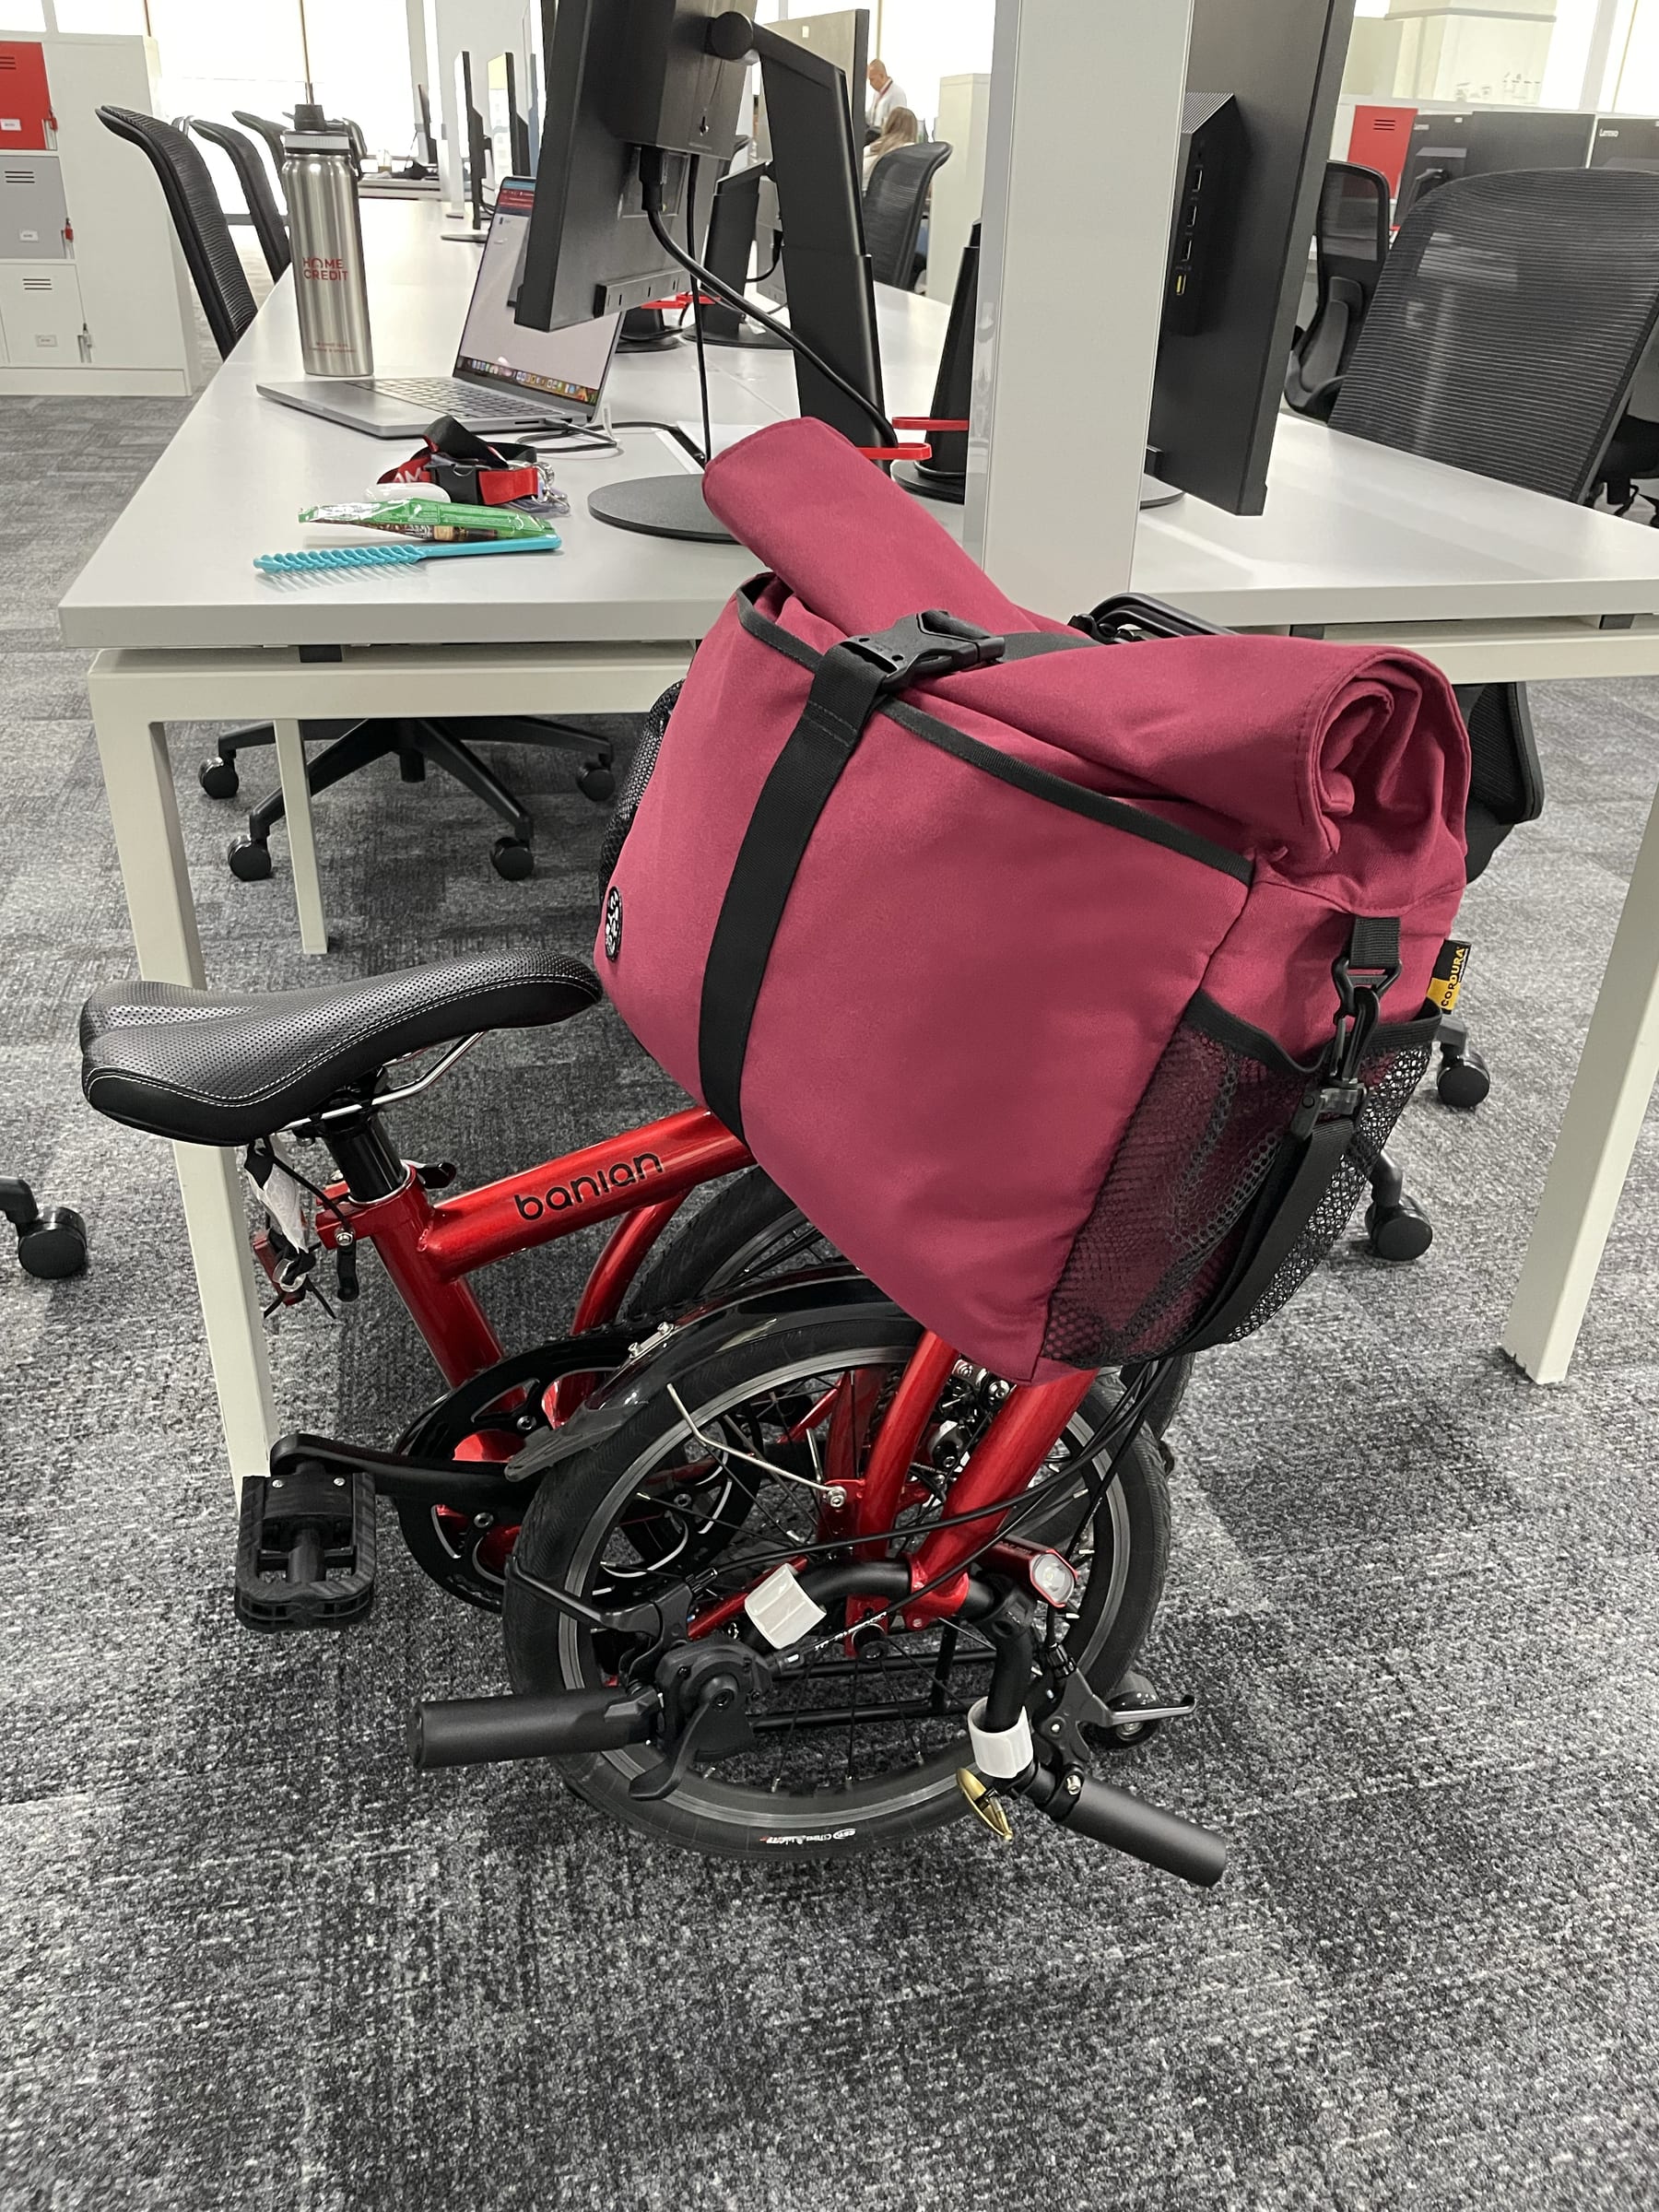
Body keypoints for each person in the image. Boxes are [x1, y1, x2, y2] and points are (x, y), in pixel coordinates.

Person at [864, 105, 919, 186]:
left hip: (863, 192)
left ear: (889, 124)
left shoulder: (870, 148)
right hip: (898, 193)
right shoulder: (915, 151)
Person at [865, 58, 910, 133]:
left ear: (881, 76)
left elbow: (898, 124)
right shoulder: (876, 94)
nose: (870, 84)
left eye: (872, 79)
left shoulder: (897, 94)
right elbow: (869, 117)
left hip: (888, 137)